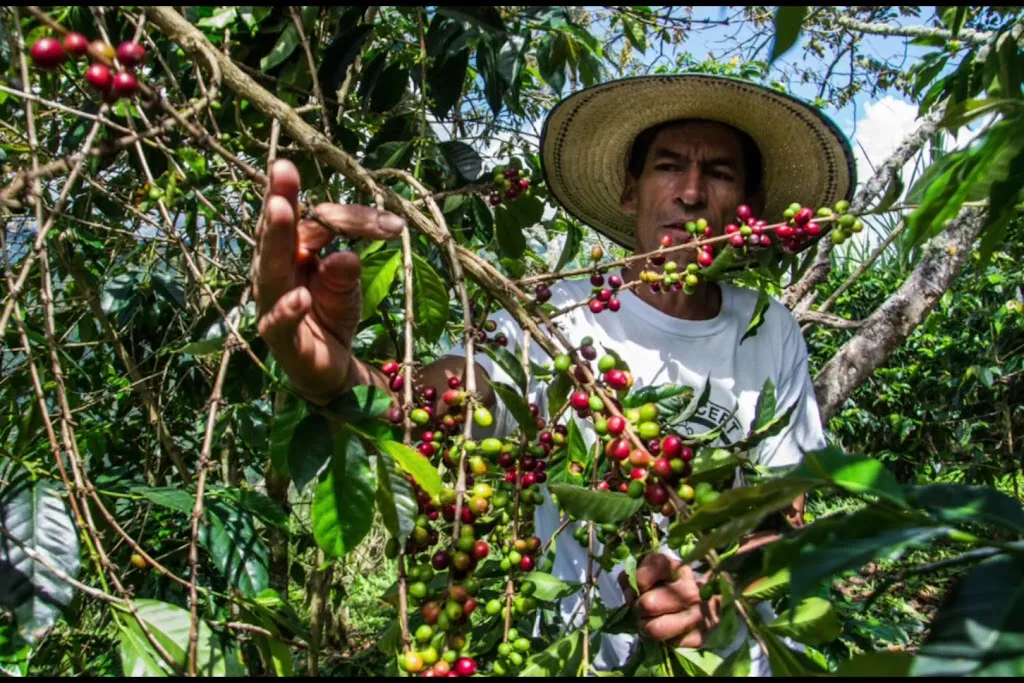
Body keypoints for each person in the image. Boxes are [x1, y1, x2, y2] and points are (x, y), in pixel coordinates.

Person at [253, 74, 855, 675]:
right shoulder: (555, 316)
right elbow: (444, 396)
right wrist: (338, 377)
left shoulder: (770, 329)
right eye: (668, 167)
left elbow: (786, 516)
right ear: (630, 191)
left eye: (720, 174)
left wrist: (723, 592)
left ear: (747, 206)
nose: (691, 193)